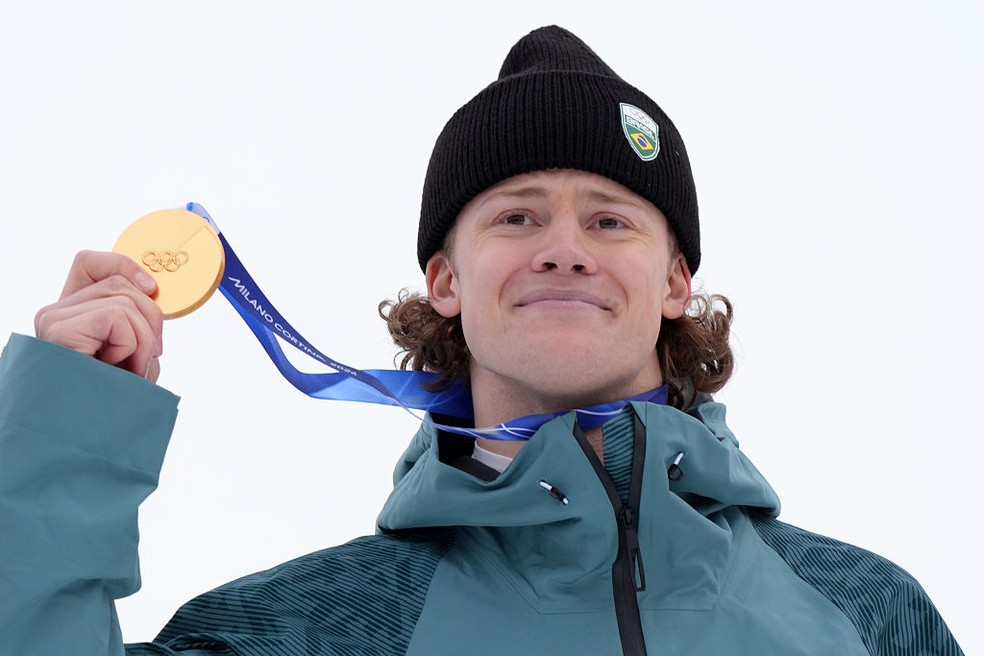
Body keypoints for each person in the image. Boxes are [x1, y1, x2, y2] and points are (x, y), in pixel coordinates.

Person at [0, 25, 963, 656]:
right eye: (516, 217)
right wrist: (63, 431)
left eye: (611, 220)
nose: (564, 249)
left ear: (675, 283)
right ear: (445, 282)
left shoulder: (865, 610)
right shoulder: (325, 625)